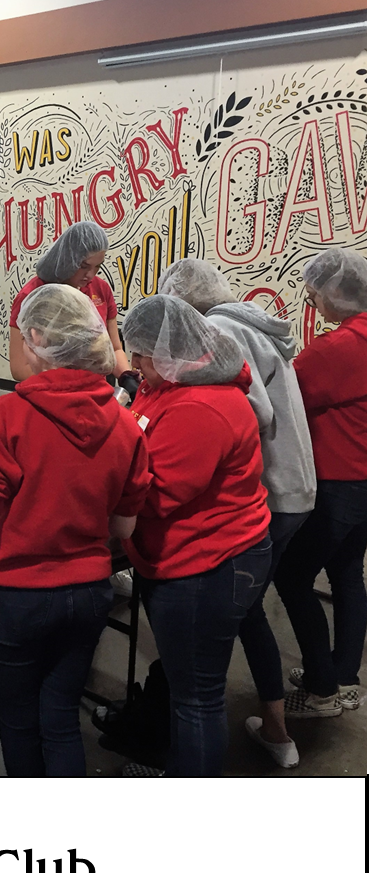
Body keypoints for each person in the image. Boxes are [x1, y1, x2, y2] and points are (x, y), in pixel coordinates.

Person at [0, 285, 151, 776]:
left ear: (38, 339)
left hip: (18, 597)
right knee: (61, 716)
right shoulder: (126, 423)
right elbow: (122, 524)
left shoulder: (8, 414)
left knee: (20, 722)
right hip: (88, 591)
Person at [159, 258, 316, 768]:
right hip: (290, 484)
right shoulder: (246, 318)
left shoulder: (220, 328)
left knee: (239, 619)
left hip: (269, 492)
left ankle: (267, 731)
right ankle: (275, 729)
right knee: (248, 613)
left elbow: (248, 410)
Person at [121, 296, 272, 777]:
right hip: (192, 553)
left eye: (142, 356)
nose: (136, 366)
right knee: (189, 683)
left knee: (198, 697)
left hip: (207, 563)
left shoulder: (203, 405)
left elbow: (160, 496)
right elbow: (139, 428)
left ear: (170, 352)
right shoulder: (171, 384)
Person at [274, 248, 367, 718]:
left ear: (335, 295)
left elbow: (283, 393)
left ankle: (321, 690)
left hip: (340, 484)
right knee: (348, 574)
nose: (312, 304)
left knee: (291, 576)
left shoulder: (339, 349)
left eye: (313, 296)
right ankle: (344, 676)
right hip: (364, 483)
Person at [7, 221, 137, 394]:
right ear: (68, 259)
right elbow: (19, 368)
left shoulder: (100, 289)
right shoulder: (32, 295)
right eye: (83, 266)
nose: (90, 275)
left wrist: (126, 377)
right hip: (51, 394)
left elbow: (114, 348)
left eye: (97, 267)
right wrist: (74, 381)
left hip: (94, 392)